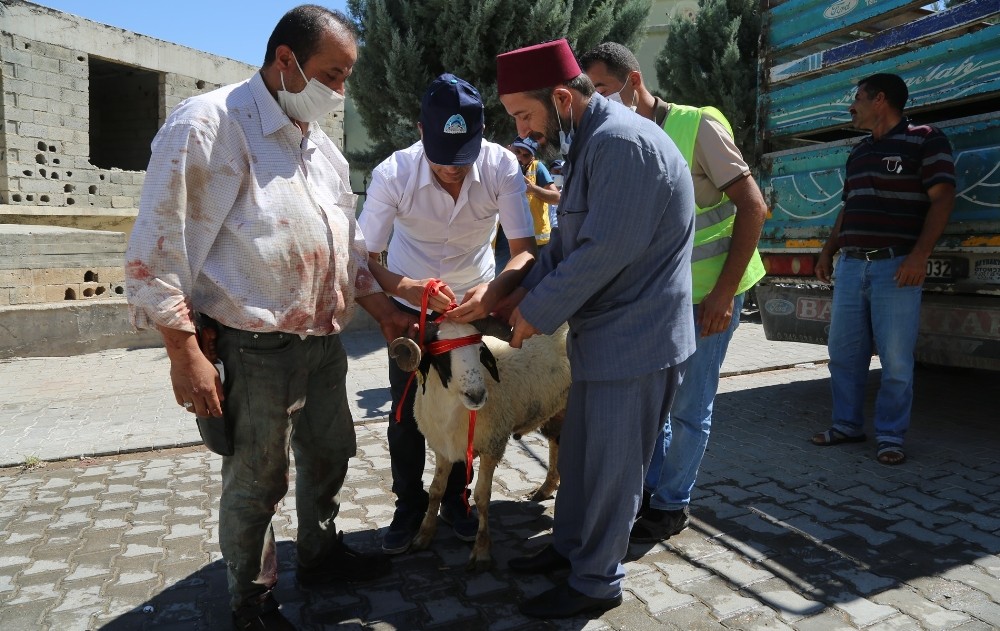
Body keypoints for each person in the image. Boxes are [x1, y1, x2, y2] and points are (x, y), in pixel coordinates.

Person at [124, 7, 412, 630]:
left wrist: (385, 313)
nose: (340, 91)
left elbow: (345, 249)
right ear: (285, 60)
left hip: (324, 342)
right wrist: (185, 353)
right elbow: (156, 253)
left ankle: (320, 552)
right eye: (331, 75)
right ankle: (250, 601)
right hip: (254, 348)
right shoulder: (209, 126)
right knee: (258, 480)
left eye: (346, 78)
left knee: (331, 452)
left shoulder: (321, 151)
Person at [494, 39, 696, 620]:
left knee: (612, 472)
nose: (525, 131)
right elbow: (567, 245)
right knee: (582, 458)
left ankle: (596, 581)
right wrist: (509, 292)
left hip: (637, 341)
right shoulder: (591, 141)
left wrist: (533, 313)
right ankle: (570, 550)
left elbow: (604, 252)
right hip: (605, 336)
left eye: (526, 116)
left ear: (561, 97)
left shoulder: (622, 144)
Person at [580, 42, 767, 543]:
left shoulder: (697, 124)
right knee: (656, 404)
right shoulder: (618, 137)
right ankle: (649, 491)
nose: (597, 101)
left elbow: (753, 207)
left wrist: (724, 295)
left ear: (633, 81)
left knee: (689, 406)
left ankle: (671, 505)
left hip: (710, 295)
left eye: (602, 89)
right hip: (660, 297)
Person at [357, 73, 537, 555]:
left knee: (466, 403)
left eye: (464, 158)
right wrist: (404, 286)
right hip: (408, 311)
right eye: (442, 159)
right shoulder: (392, 175)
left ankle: (456, 502)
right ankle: (409, 506)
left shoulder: (501, 166)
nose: (454, 171)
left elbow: (523, 251)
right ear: (420, 131)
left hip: (475, 304)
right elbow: (365, 259)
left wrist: (495, 288)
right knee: (407, 415)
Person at [811, 73, 955, 465]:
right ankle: (847, 426)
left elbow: (943, 199)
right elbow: (849, 206)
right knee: (842, 353)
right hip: (852, 267)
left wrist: (919, 256)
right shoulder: (858, 151)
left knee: (895, 360)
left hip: (896, 267)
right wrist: (829, 251)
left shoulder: (925, 139)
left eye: (856, 97)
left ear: (880, 100)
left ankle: (890, 436)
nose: (850, 106)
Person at [509, 136, 561, 246]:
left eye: (526, 155)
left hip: (536, 242)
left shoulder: (537, 168)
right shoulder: (500, 166)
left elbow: (557, 198)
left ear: (532, 157)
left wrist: (533, 189)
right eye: (517, 151)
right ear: (509, 148)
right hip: (505, 240)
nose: (519, 157)